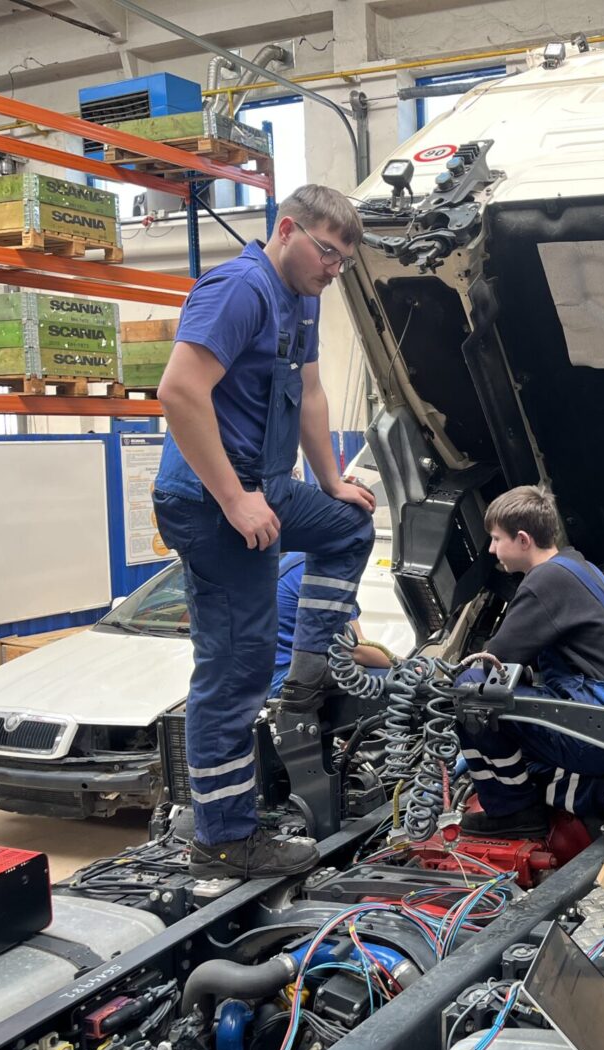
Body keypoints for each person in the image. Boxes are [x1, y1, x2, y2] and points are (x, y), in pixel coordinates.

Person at [152, 185, 376, 880]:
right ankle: (224, 838)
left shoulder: (303, 297)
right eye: (327, 253)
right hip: (210, 500)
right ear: (286, 230)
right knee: (237, 669)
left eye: (343, 263)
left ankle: (308, 678)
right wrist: (235, 499)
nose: (333, 271)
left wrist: (331, 479)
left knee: (350, 526)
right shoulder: (238, 290)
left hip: (268, 486)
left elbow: (309, 391)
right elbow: (178, 392)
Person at [456, 485, 604, 837]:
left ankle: (513, 812)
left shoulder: (544, 582)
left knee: (470, 692)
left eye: (496, 539)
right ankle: (584, 791)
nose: (492, 549)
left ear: (523, 540)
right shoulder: (578, 566)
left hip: (593, 735)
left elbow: (492, 664)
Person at [270, 552, 393, 696]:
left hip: (270, 677)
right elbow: (353, 649)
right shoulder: (325, 570)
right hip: (294, 679)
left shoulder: (297, 559)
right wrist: (405, 665)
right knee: (401, 685)